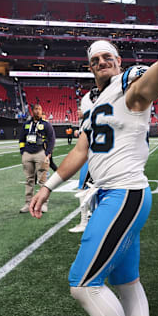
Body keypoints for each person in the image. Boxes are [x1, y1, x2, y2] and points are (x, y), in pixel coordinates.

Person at [29, 0, 158, 316]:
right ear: (89, 67)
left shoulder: (129, 86)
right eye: (95, 60)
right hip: (108, 195)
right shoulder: (91, 102)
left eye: (108, 57)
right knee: (127, 282)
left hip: (124, 193)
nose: (102, 63)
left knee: (83, 284)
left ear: (119, 62)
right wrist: (46, 188)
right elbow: (80, 151)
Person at [69, 92, 98, 234]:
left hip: (90, 159)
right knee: (93, 190)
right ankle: (91, 218)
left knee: (83, 189)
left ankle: (84, 222)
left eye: (80, 108)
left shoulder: (89, 122)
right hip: (96, 159)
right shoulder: (88, 121)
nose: (77, 110)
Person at [19, 104, 55, 213]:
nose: (38, 111)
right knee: (29, 180)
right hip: (27, 154)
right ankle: (28, 203)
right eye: (36, 109)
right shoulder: (26, 124)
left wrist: (48, 153)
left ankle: (43, 203)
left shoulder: (46, 125)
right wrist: (22, 152)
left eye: (40, 109)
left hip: (40, 153)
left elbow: (52, 140)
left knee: (42, 180)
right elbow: (21, 139)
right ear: (32, 111)